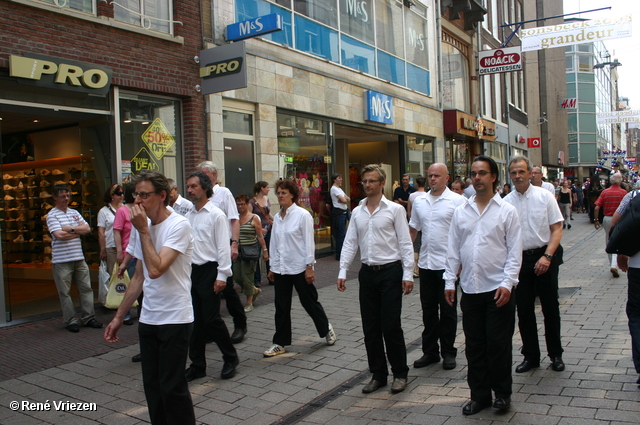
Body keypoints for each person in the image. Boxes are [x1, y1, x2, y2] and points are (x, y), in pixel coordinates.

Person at [104, 171, 196, 425]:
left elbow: (156, 269)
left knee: (172, 388)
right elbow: (139, 277)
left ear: (162, 195)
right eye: (136, 195)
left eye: (144, 195)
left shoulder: (178, 225)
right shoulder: (141, 225)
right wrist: (118, 317)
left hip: (175, 318)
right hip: (150, 318)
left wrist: (144, 231)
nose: (138, 202)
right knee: (153, 389)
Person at [444, 155, 522, 415]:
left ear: (493, 177)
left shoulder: (507, 211)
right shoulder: (461, 212)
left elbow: (514, 252)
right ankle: (480, 396)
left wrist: (508, 283)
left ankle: (502, 394)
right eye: (473, 173)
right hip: (471, 289)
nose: (476, 178)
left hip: (498, 290)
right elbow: (453, 249)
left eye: (482, 173)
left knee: (498, 345)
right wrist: (449, 281)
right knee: (475, 346)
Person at [337, 164, 414, 394]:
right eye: (365, 181)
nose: (368, 185)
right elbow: (350, 242)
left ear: (382, 183)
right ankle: (378, 374)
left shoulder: (394, 210)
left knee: (390, 326)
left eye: (372, 181)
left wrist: (408, 274)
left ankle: (400, 373)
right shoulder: (358, 211)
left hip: (390, 272)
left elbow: (405, 243)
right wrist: (342, 271)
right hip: (367, 274)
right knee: (370, 328)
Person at [504, 155, 565, 374]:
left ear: (530, 173)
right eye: (514, 172)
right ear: (509, 175)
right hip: (520, 260)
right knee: (525, 310)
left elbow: (557, 228)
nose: (518, 176)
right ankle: (531, 356)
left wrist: (547, 257)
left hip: (545, 255)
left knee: (550, 308)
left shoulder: (545, 196)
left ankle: (556, 354)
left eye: (521, 171)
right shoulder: (506, 202)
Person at [264, 179, 336, 357]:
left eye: (284, 193)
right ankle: (280, 342)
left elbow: (308, 243)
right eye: (278, 192)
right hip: (281, 268)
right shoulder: (278, 217)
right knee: (281, 306)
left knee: (309, 302)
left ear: (293, 195)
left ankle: (326, 328)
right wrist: (272, 266)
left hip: (299, 267)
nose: (280, 196)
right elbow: (274, 243)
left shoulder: (303, 215)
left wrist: (309, 267)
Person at [184, 171, 239, 382]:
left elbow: (222, 247)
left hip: (210, 270)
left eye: (193, 186)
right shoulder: (188, 215)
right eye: (188, 186)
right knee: (194, 321)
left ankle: (230, 357)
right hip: (192, 272)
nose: (189, 190)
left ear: (205, 188)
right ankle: (198, 365)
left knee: (211, 319)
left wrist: (222, 275)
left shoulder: (216, 214)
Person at [409, 164, 465, 371]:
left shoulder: (458, 201)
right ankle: (430, 352)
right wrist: (407, 259)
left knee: (448, 312)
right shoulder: (420, 201)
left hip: (448, 266)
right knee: (428, 311)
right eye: (430, 175)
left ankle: (449, 352)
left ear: (447, 178)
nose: (432, 179)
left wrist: (461, 263)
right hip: (426, 264)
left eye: (437, 176)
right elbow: (413, 230)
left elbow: (465, 232)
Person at [196, 161, 247, 343]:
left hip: (222, 247)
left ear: (214, 176)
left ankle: (240, 324)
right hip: (205, 251)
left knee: (228, 288)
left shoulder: (223, 193)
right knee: (207, 291)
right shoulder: (199, 197)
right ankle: (210, 326)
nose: (201, 179)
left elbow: (234, 220)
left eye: (204, 175)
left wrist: (234, 244)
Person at [47, 184, 103, 333]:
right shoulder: (52, 215)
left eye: (68, 195)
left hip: (78, 257)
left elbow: (88, 229)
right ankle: (70, 320)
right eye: (62, 196)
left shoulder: (74, 212)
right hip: (61, 260)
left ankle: (88, 317)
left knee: (86, 288)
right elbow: (58, 235)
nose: (66, 199)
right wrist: (78, 232)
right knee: (65, 292)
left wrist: (70, 229)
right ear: (55, 197)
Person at [611, 185, 640, 385]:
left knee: (637, 315)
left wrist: (620, 252)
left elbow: (616, 223)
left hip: (637, 264)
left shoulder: (633, 195)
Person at [234, 194, 268, 312]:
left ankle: (249, 302)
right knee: (237, 276)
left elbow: (259, 236)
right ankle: (254, 290)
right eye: (238, 204)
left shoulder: (254, 218)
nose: (240, 206)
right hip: (238, 251)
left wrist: (265, 250)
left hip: (250, 252)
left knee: (247, 276)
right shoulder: (236, 218)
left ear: (247, 204)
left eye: (242, 204)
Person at [594, 172, 628, 278]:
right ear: (621, 181)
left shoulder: (605, 192)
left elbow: (596, 207)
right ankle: (616, 264)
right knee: (620, 240)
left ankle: (612, 264)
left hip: (608, 219)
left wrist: (596, 219)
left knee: (609, 240)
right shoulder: (624, 193)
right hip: (621, 219)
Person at [113, 183, 137, 327]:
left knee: (141, 285)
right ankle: (126, 314)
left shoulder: (140, 209)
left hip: (139, 254)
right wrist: (119, 252)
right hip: (128, 252)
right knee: (128, 285)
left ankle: (141, 311)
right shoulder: (122, 211)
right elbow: (117, 232)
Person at [250, 181, 273, 286]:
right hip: (258, 231)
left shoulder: (267, 199)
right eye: (267, 188)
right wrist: (258, 228)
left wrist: (276, 221)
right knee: (257, 254)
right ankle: (257, 280)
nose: (268, 189)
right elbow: (250, 217)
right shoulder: (252, 202)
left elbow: (268, 214)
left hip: (269, 229)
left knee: (270, 253)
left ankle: (271, 276)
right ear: (261, 188)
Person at [98, 183, 123, 274]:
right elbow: (101, 232)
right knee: (114, 273)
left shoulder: (124, 208)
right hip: (111, 246)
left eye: (122, 193)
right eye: (118, 193)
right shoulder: (104, 211)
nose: (122, 195)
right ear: (112, 195)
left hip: (125, 245)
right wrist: (103, 249)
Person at [330, 173, 351, 260]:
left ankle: (342, 253)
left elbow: (348, 199)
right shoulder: (334, 189)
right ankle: (339, 255)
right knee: (341, 234)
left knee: (343, 233)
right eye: (339, 178)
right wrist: (343, 199)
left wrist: (344, 199)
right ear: (335, 179)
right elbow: (344, 200)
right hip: (339, 213)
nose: (341, 179)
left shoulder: (339, 189)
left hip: (344, 212)